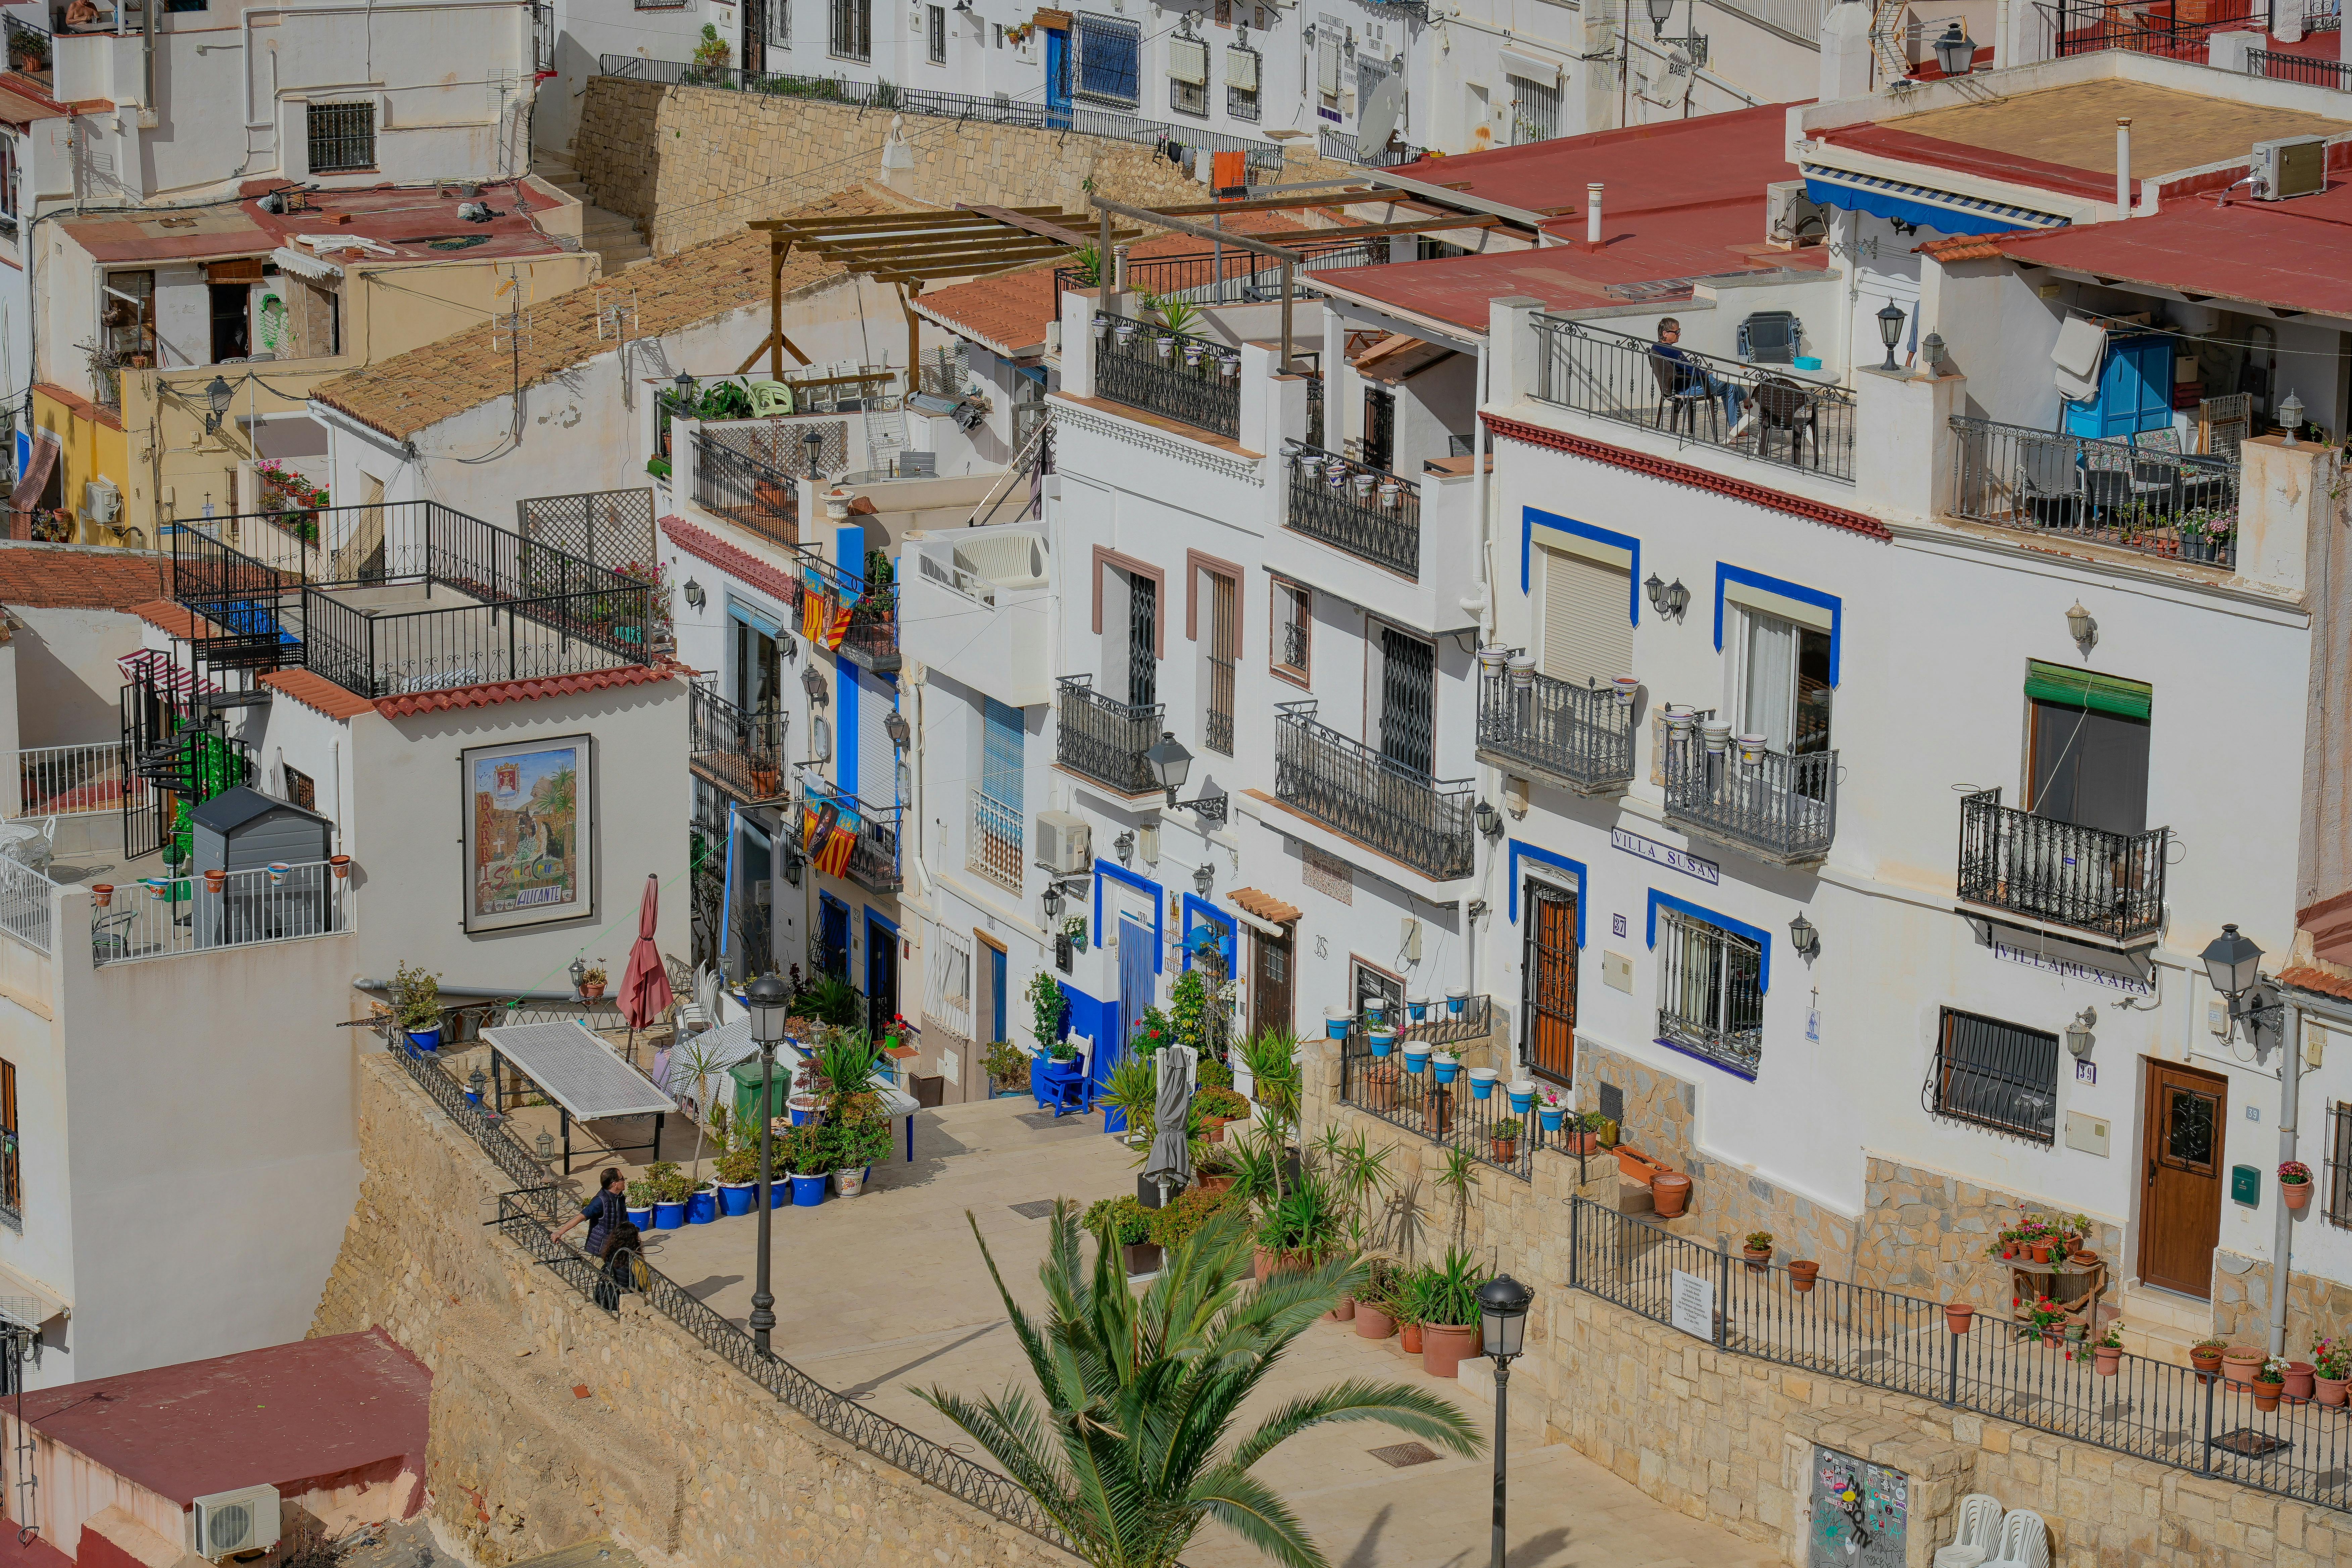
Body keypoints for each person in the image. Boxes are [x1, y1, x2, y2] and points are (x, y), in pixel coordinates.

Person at [1652, 318, 1748, 433]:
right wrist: (1705, 373)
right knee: (1729, 378)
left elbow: (1688, 369)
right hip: (1687, 388)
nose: (1679, 334)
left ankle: (1735, 427)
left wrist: (1703, 373)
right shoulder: (1672, 351)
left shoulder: (1656, 348)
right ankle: (1746, 401)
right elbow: (1691, 370)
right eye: (1677, 332)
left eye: (1679, 331)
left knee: (1730, 388)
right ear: (1665, 334)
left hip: (1675, 387)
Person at [553, 1167, 628, 1256]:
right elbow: (580, 1217)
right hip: (600, 1250)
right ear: (615, 1184)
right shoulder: (601, 1201)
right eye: (622, 1179)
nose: (624, 1181)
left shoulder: (619, 1197)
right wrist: (560, 1233)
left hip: (616, 1246)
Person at [594, 1222, 647, 1311]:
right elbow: (644, 1282)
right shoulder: (635, 1259)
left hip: (608, 1296)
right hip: (624, 1298)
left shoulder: (610, 1252)